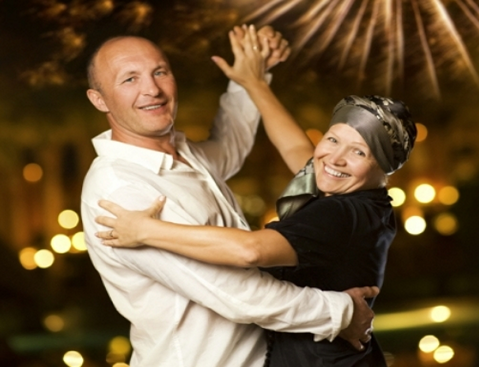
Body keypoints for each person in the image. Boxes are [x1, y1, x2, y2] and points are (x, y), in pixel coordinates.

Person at [94, 26, 417, 366]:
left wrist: (146, 231)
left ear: (384, 167)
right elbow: (293, 146)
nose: (335, 158)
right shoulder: (337, 185)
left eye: (360, 152)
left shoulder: (342, 212)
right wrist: (254, 82)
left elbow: (250, 250)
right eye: (332, 139)